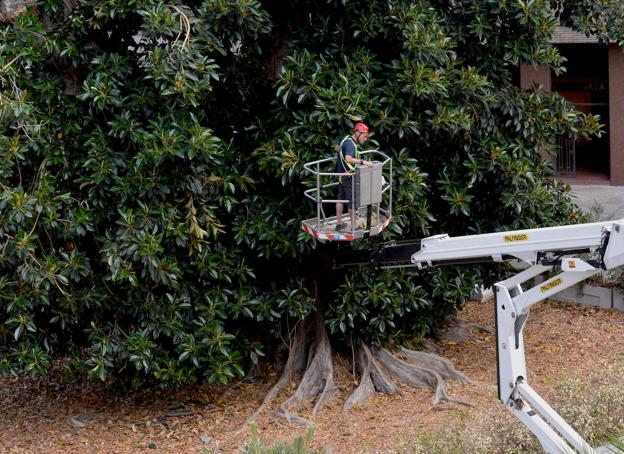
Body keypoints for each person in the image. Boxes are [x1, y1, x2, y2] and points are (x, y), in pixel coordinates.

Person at [335, 122, 374, 231]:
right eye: (364, 136)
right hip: (347, 176)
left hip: (340, 174)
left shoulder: (346, 140)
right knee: (352, 200)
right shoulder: (351, 144)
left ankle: (339, 224)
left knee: (340, 198)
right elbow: (348, 159)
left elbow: (337, 148)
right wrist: (364, 162)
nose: (365, 139)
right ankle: (354, 226)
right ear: (358, 133)